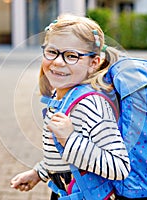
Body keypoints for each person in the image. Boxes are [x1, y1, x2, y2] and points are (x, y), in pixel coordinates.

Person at [10, 14, 131, 199]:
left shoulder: (90, 105)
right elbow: (64, 157)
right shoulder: (60, 97)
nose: (58, 62)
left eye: (71, 56)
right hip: (64, 192)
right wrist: (39, 173)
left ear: (93, 63)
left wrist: (70, 138)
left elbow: (119, 166)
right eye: (52, 52)